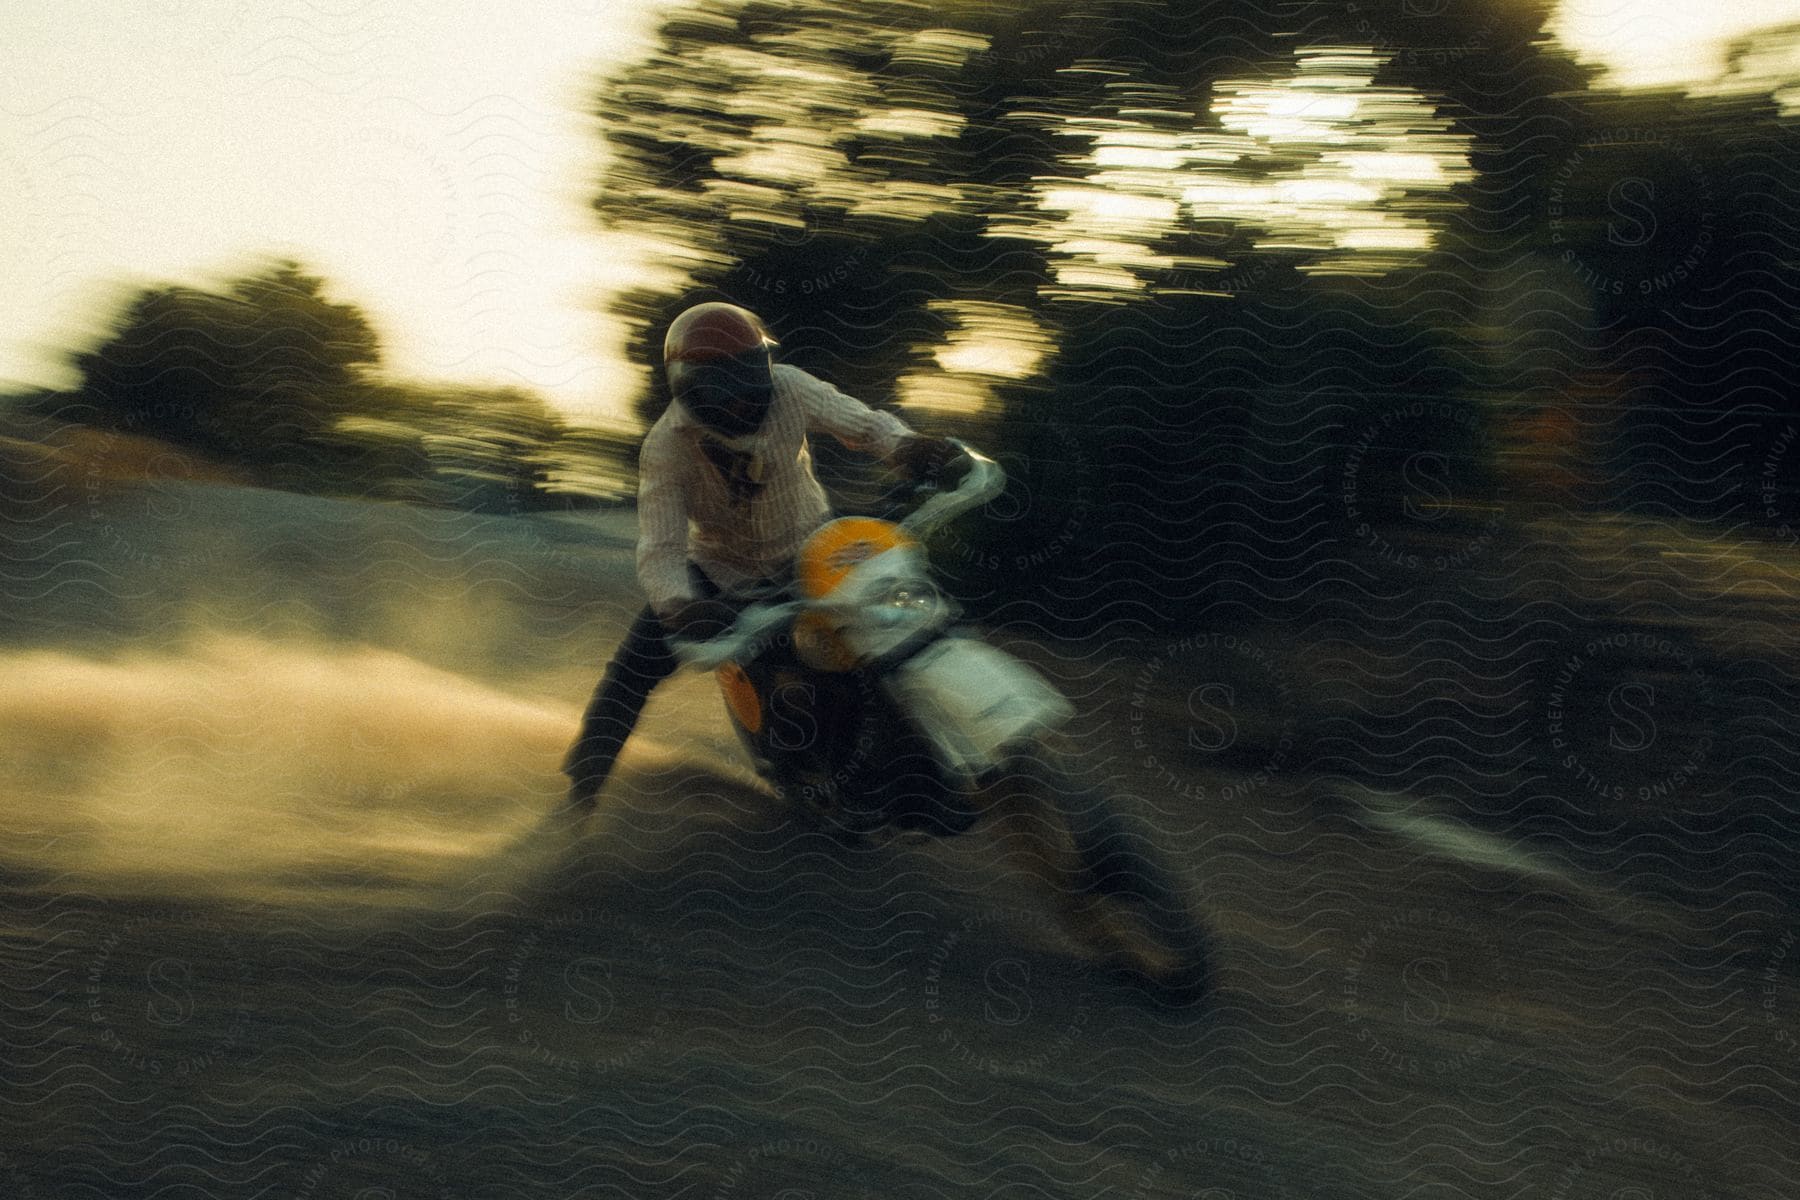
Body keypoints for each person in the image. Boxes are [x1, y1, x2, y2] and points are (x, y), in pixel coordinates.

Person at [562, 301, 957, 809]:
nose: (743, 403)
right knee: (633, 667)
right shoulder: (666, 445)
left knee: (890, 623)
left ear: (766, 365)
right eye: (724, 392)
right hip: (721, 574)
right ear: (690, 392)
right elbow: (661, 549)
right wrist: (678, 606)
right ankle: (581, 791)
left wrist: (907, 447)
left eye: (751, 378)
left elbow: (864, 426)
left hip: (813, 549)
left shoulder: (791, 386)